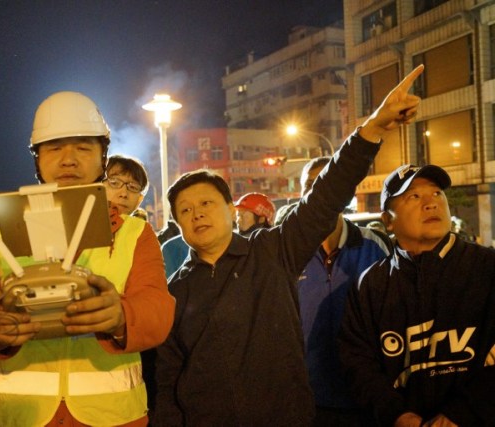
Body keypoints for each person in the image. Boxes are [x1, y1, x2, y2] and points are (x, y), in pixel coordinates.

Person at [152, 65, 424, 426]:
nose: (197, 214)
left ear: (231, 211)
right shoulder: (177, 291)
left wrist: (372, 128)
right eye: (185, 210)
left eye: (206, 204)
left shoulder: (271, 251)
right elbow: (169, 381)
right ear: (178, 223)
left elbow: (325, 196)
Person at [0, 91, 175, 427]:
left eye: (83, 147)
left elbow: (158, 309)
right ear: (37, 158)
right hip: (11, 418)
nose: (69, 159)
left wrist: (122, 316)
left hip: (112, 419)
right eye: (54, 147)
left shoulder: (135, 233)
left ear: (103, 157)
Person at [338, 164, 495, 427]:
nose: (431, 204)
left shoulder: (487, 268)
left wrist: (461, 413)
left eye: (436, 194)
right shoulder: (372, 284)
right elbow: (357, 362)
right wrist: (397, 414)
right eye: (414, 196)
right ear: (388, 220)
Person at [296, 156, 392, 426]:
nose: (320, 192)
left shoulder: (374, 245)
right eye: (312, 185)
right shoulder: (287, 251)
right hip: (305, 400)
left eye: (330, 183)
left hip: (365, 398)